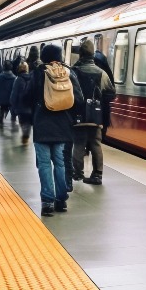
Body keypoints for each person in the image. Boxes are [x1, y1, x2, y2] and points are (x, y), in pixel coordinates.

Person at [31, 44, 83, 217]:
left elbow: (26, 95)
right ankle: (61, 200)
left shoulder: (39, 72)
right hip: (62, 125)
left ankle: (47, 202)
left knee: (44, 164)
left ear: (44, 57)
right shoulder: (69, 73)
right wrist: (69, 115)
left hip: (42, 126)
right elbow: (79, 99)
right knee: (60, 163)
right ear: (60, 56)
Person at [72, 39, 115, 185]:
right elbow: (111, 93)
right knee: (96, 144)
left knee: (78, 143)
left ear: (81, 54)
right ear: (92, 55)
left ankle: (77, 173)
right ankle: (97, 175)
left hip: (78, 114)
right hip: (95, 115)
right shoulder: (101, 73)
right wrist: (99, 100)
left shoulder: (74, 71)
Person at [9, 61, 34, 144]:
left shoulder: (18, 79)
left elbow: (14, 93)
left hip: (21, 106)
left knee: (23, 122)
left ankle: (25, 135)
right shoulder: (32, 78)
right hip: (30, 105)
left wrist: (12, 104)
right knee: (28, 122)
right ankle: (26, 136)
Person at [0, 61, 16, 125]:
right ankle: (13, 120)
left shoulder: (0, 76)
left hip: (2, 97)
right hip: (10, 97)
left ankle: (1, 119)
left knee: (2, 108)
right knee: (12, 109)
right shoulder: (14, 77)